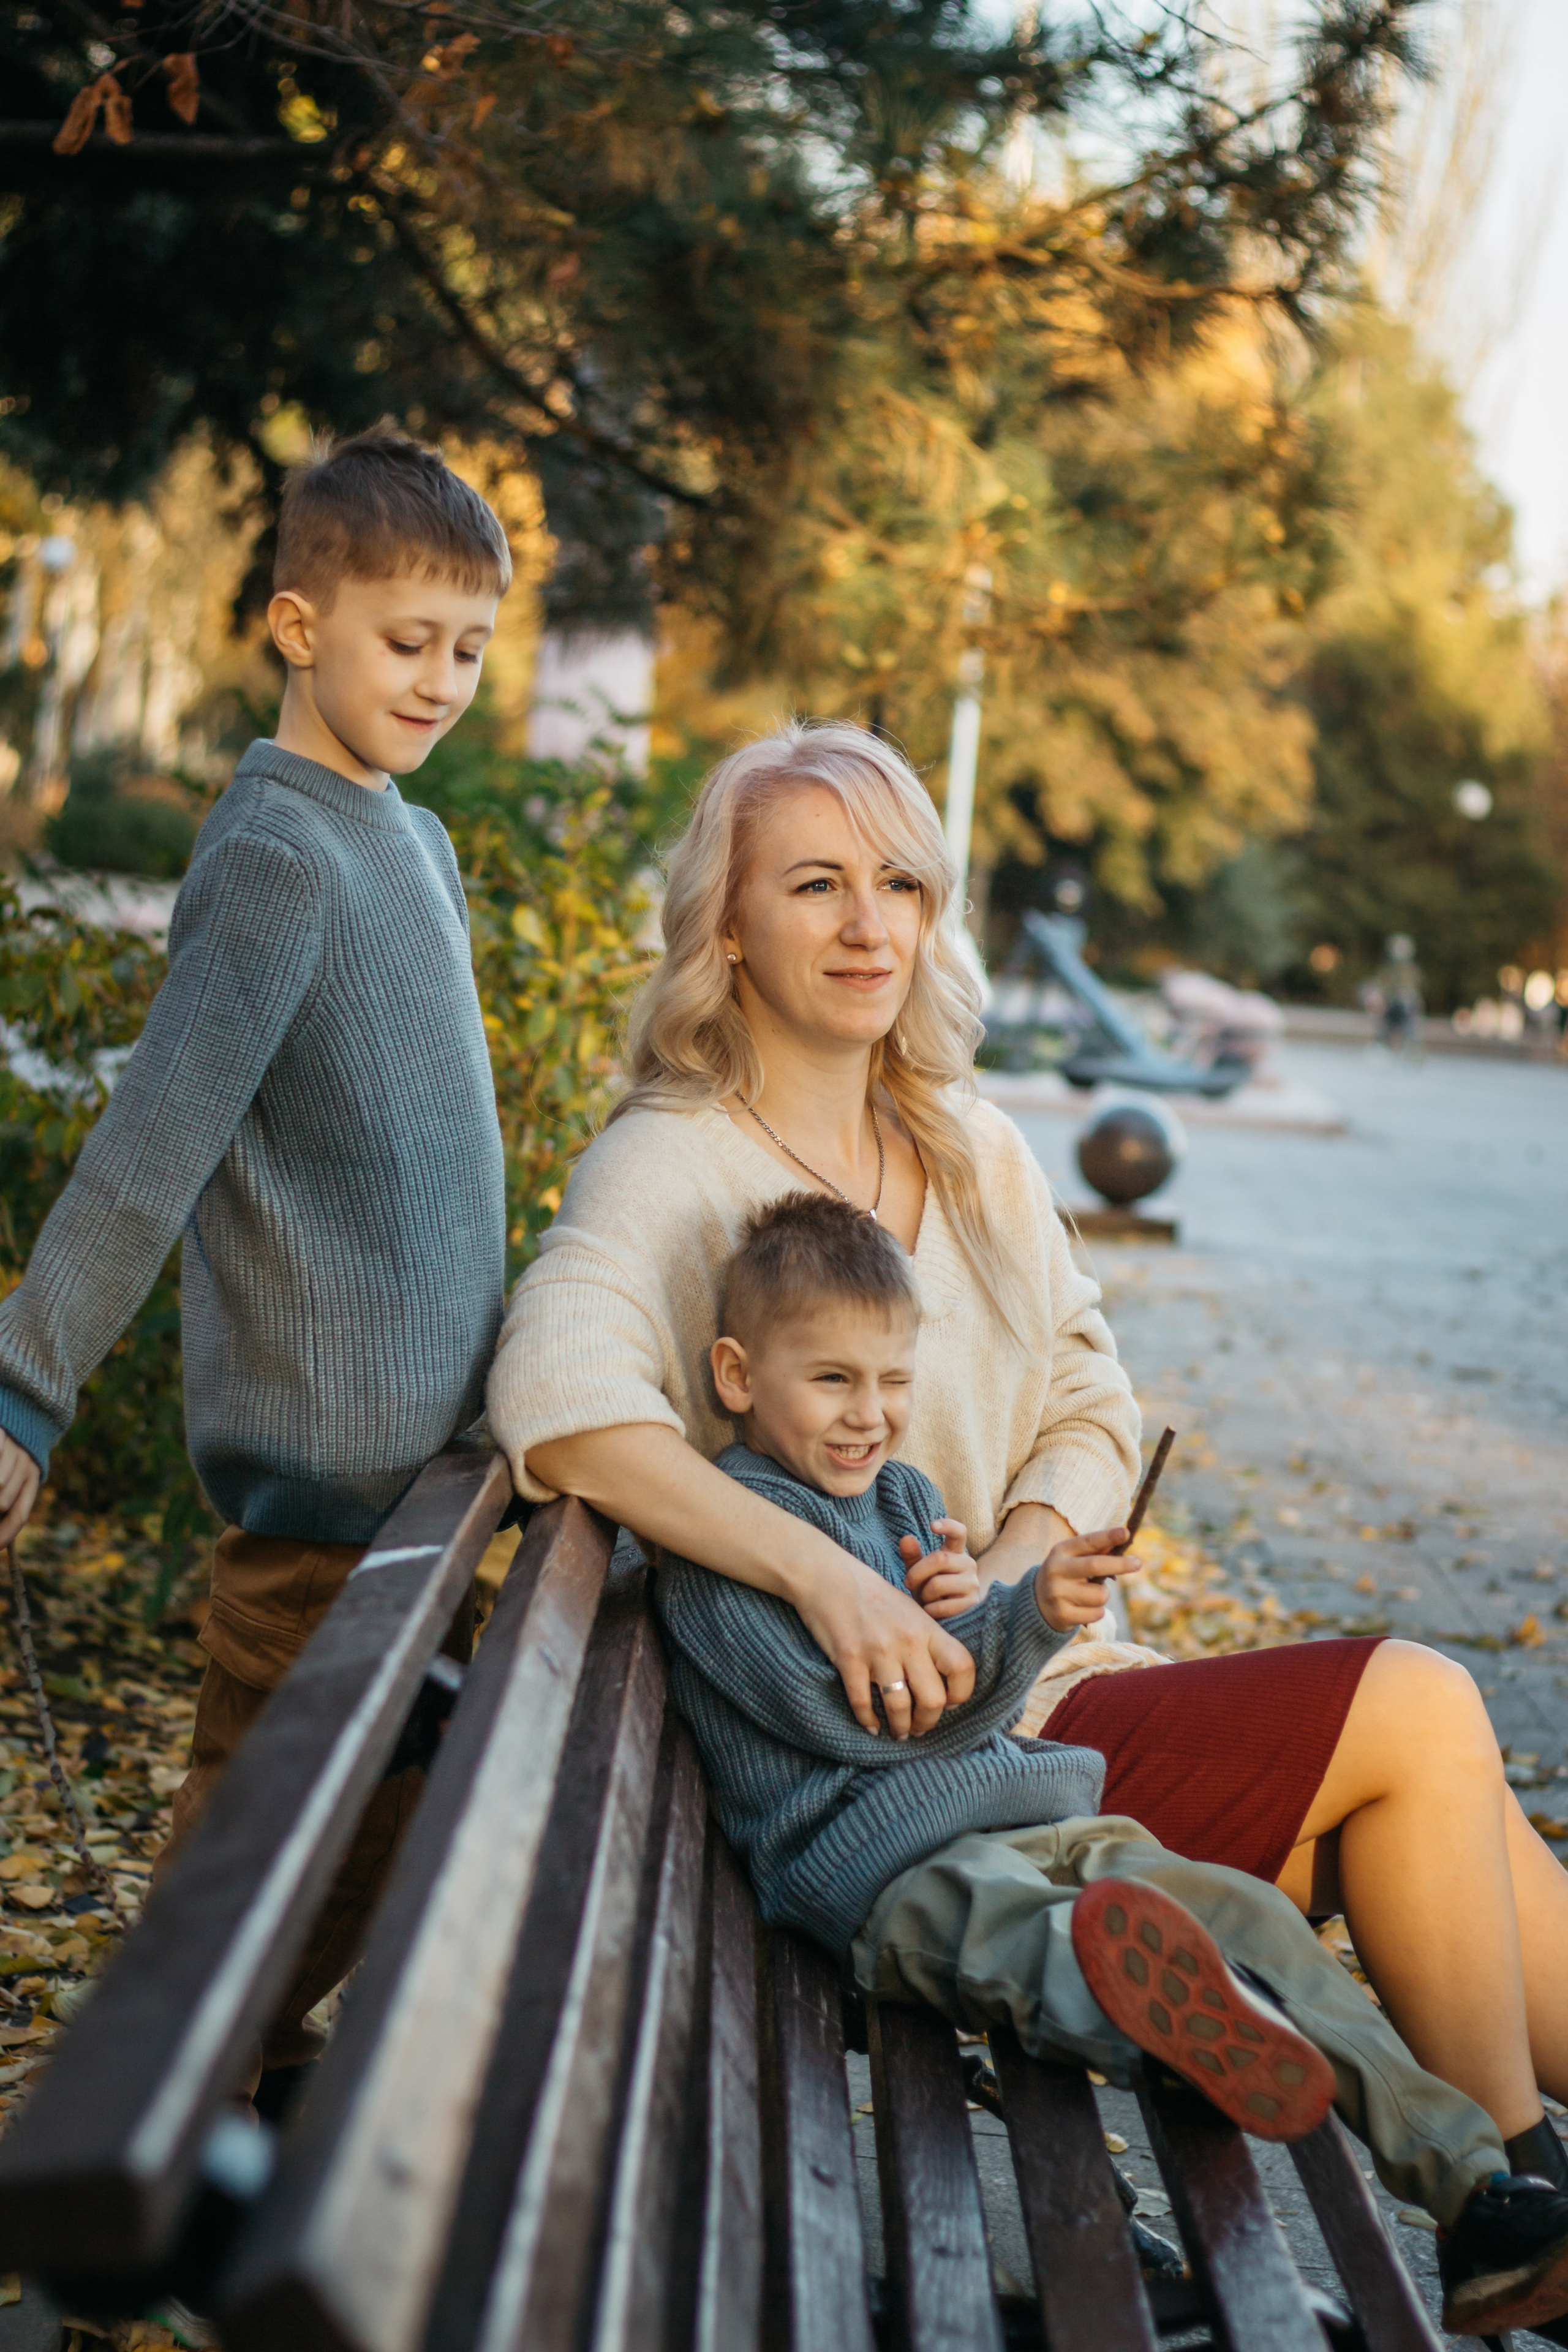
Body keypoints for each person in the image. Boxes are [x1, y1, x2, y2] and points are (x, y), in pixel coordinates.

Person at [486, 718, 1568, 2228]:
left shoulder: (966, 1142)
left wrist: (1000, 1572)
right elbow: (557, 1397)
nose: (868, 925)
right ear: (725, 928)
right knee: (1421, 1706)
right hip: (943, 1778)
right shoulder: (672, 1167)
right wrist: (827, 1582)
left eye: (898, 884)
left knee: (1433, 1811)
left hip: (1039, 1687)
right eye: (812, 885)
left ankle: (1525, 2214)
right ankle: (1514, 2201)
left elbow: (1091, 1393)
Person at [651, 1190, 1568, 2341]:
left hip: (1019, 1802)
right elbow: (859, 1724)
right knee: (1030, 1940)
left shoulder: (903, 1499)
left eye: (892, 1382)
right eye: (831, 1380)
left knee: (1244, 1912)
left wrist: (1021, 1614)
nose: (869, 1416)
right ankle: (1178, 2029)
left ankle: (1476, 2187)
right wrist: (978, 1635)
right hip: (877, 1871)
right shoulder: (721, 1549)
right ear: (737, 1375)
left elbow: (965, 1697)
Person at [0, 428, 510, 2107]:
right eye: (405, 640)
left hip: (427, 1500)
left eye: (469, 648)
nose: (441, 681)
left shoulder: (408, 843)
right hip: (311, 1518)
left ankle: (222, 2087)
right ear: (299, 627)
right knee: (247, 1861)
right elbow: (152, 1148)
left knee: (383, 1821)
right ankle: (127, 2150)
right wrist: (23, 1389)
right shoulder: (279, 852)